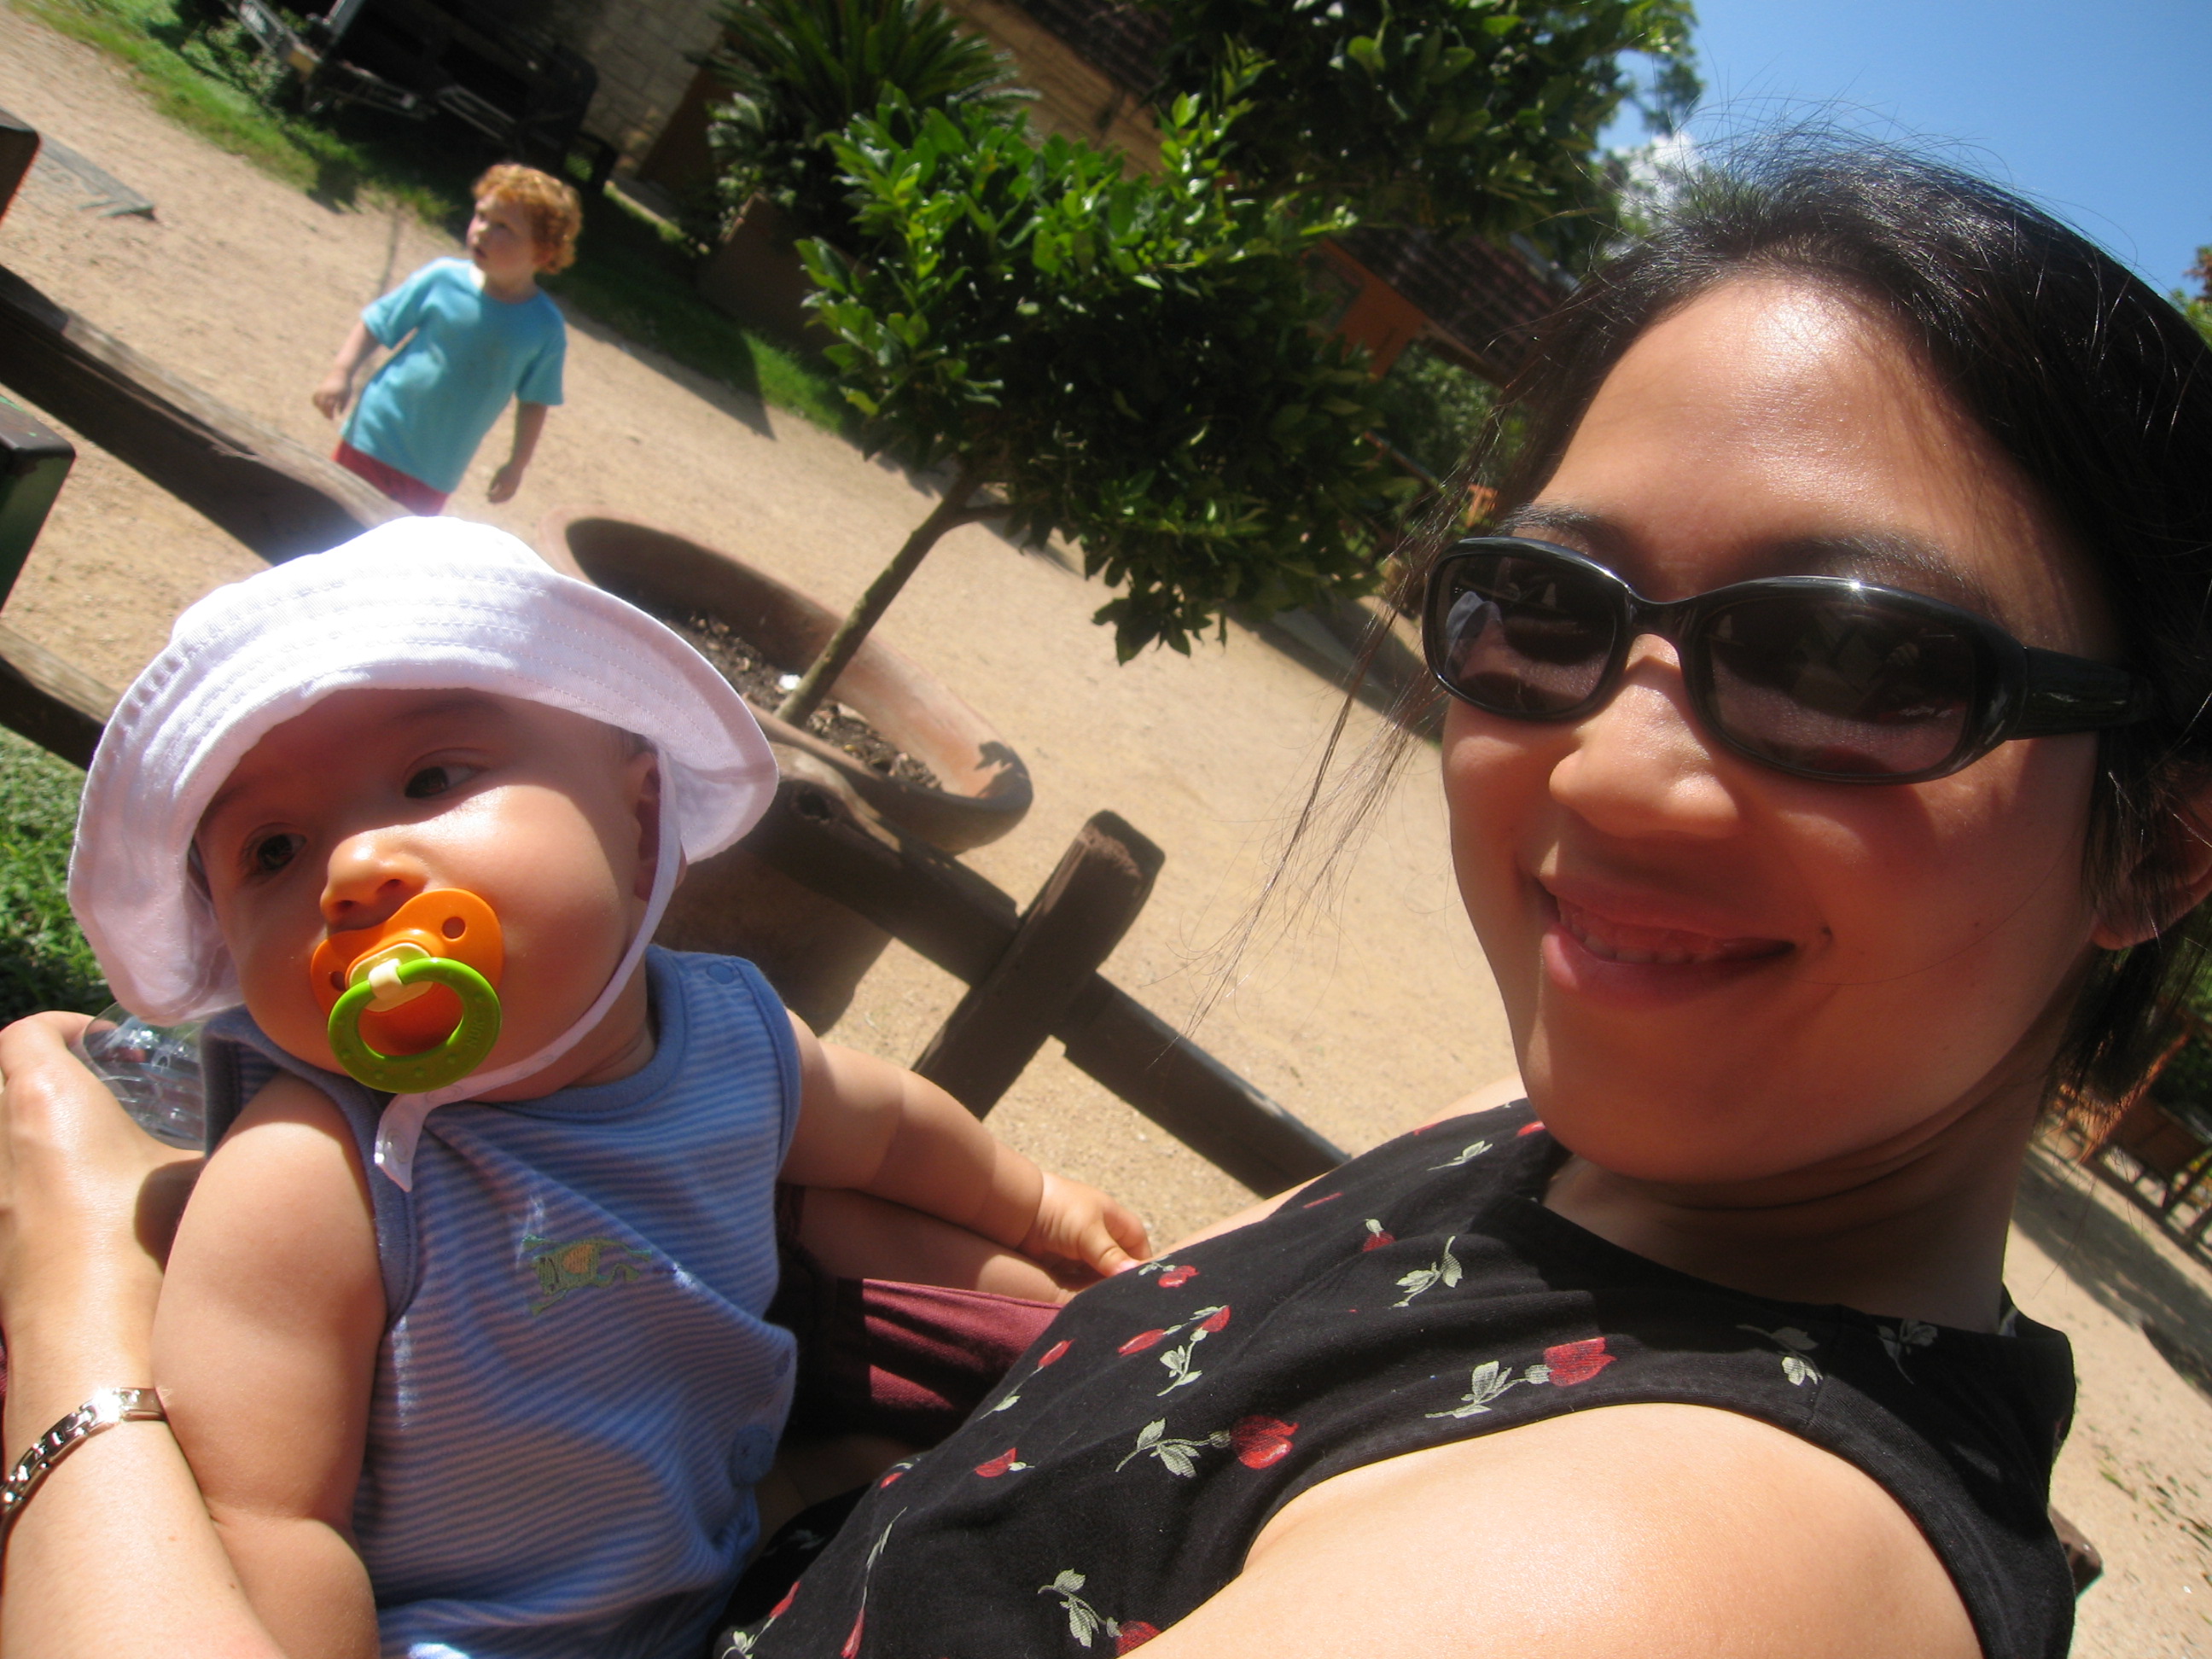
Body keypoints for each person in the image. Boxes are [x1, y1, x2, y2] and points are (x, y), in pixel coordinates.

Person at [3, 140, 2209, 1659]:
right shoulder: (1587, 1159)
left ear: (2163, 840)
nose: (1613, 769)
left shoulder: (1668, 1575)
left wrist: (75, 1350)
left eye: (1848, 659)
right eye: (1545, 608)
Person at [36, 518, 1145, 1659]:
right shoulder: (314, 1169)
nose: (352, 873)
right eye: (271, 851)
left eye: (430, 777)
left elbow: (890, 1137)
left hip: (708, 1546)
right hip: (467, 1635)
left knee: (891, 1469)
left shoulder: (732, 1037)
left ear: (637, 818)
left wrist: (1039, 1202)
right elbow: (267, 1519)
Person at [311, 164, 579, 515]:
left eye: (504, 228)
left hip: (434, 469)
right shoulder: (442, 279)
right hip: (373, 434)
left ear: (542, 253)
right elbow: (378, 324)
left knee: (392, 561)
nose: (483, 231)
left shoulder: (543, 328)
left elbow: (535, 402)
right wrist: (341, 373)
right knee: (325, 524)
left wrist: (517, 465)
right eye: (482, 216)